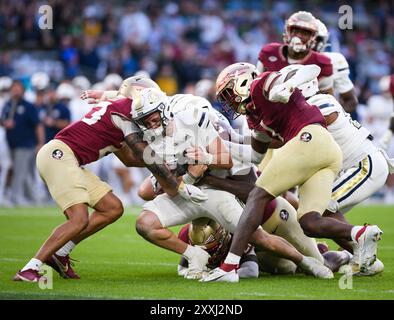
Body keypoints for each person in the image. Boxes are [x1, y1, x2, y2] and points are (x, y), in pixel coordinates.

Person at [201, 62, 382, 283]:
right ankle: (360, 234)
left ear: (243, 81)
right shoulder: (254, 115)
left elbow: (311, 70)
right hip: (326, 152)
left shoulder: (261, 85)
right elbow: (256, 155)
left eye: (229, 92)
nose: (229, 100)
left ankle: (229, 267)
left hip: (309, 138)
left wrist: (287, 85)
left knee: (257, 195)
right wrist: (218, 144)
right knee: (310, 222)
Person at [133, 88, 334, 281]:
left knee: (262, 241)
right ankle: (195, 255)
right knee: (146, 224)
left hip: (235, 201)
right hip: (190, 195)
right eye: (145, 120)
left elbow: (250, 186)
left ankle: (307, 262)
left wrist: (206, 161)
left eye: (153, 117)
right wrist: (186, 179)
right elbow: (152, 190)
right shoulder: (154, 141)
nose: (150, 124)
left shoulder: (215, 132)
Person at [13, 85, 205, 282]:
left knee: (112, 208)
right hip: (60, 155)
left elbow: (130, 159)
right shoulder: (126, 117)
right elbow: (147, 158)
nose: (151, 121)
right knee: (78, 219)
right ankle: (31, 268)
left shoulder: (123, 110)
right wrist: (179, 176)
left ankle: (61, 252)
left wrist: (166, 158)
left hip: (70, 159)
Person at [256, 11, 334, 94]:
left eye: (305, 33)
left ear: (313, 37)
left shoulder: (322, 62)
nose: (299, 36)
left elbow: (327, 99)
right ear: (288, 32)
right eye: (295, 31)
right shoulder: (269, 52)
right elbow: (256, 86)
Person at [0, 80, 45, 206]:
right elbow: (2, 120)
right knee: (18, 171)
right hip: (10, 144)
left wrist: (40, 142)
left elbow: (38, 125)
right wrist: (5, 124)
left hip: (25, 144)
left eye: (18, 88)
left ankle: (16, 197)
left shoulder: (28, 106)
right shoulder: (8, 104)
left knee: (20, 171)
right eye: (14, 88)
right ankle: (33, 198)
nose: (16, 90)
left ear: (23, 90)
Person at [312, 19, 358, 114]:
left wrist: (335, 116)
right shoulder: (284, 59)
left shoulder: (333, 60)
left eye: (317, 39)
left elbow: (351, 101)